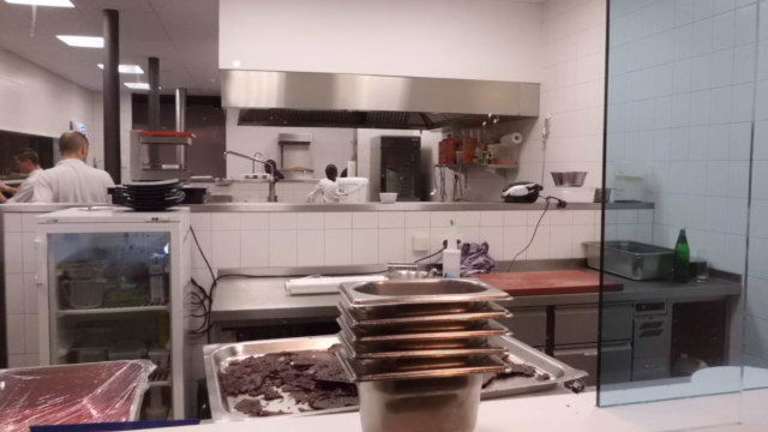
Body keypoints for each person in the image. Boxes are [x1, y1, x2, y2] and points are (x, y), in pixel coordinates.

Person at [32, 131, 115, 203]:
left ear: (60, 151)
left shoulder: (46, 177)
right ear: (83, 150)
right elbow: (115, 209)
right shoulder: (104, 177)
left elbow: (39, 210)